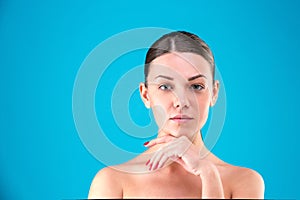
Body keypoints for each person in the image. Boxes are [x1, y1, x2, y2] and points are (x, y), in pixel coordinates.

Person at [88, 31, 265, 199]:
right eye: (165, 86)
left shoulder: (244, 181)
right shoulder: (113, 181)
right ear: (145, 95)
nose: (182, 101)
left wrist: (208, 173)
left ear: (214, 93)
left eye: (196, 86)